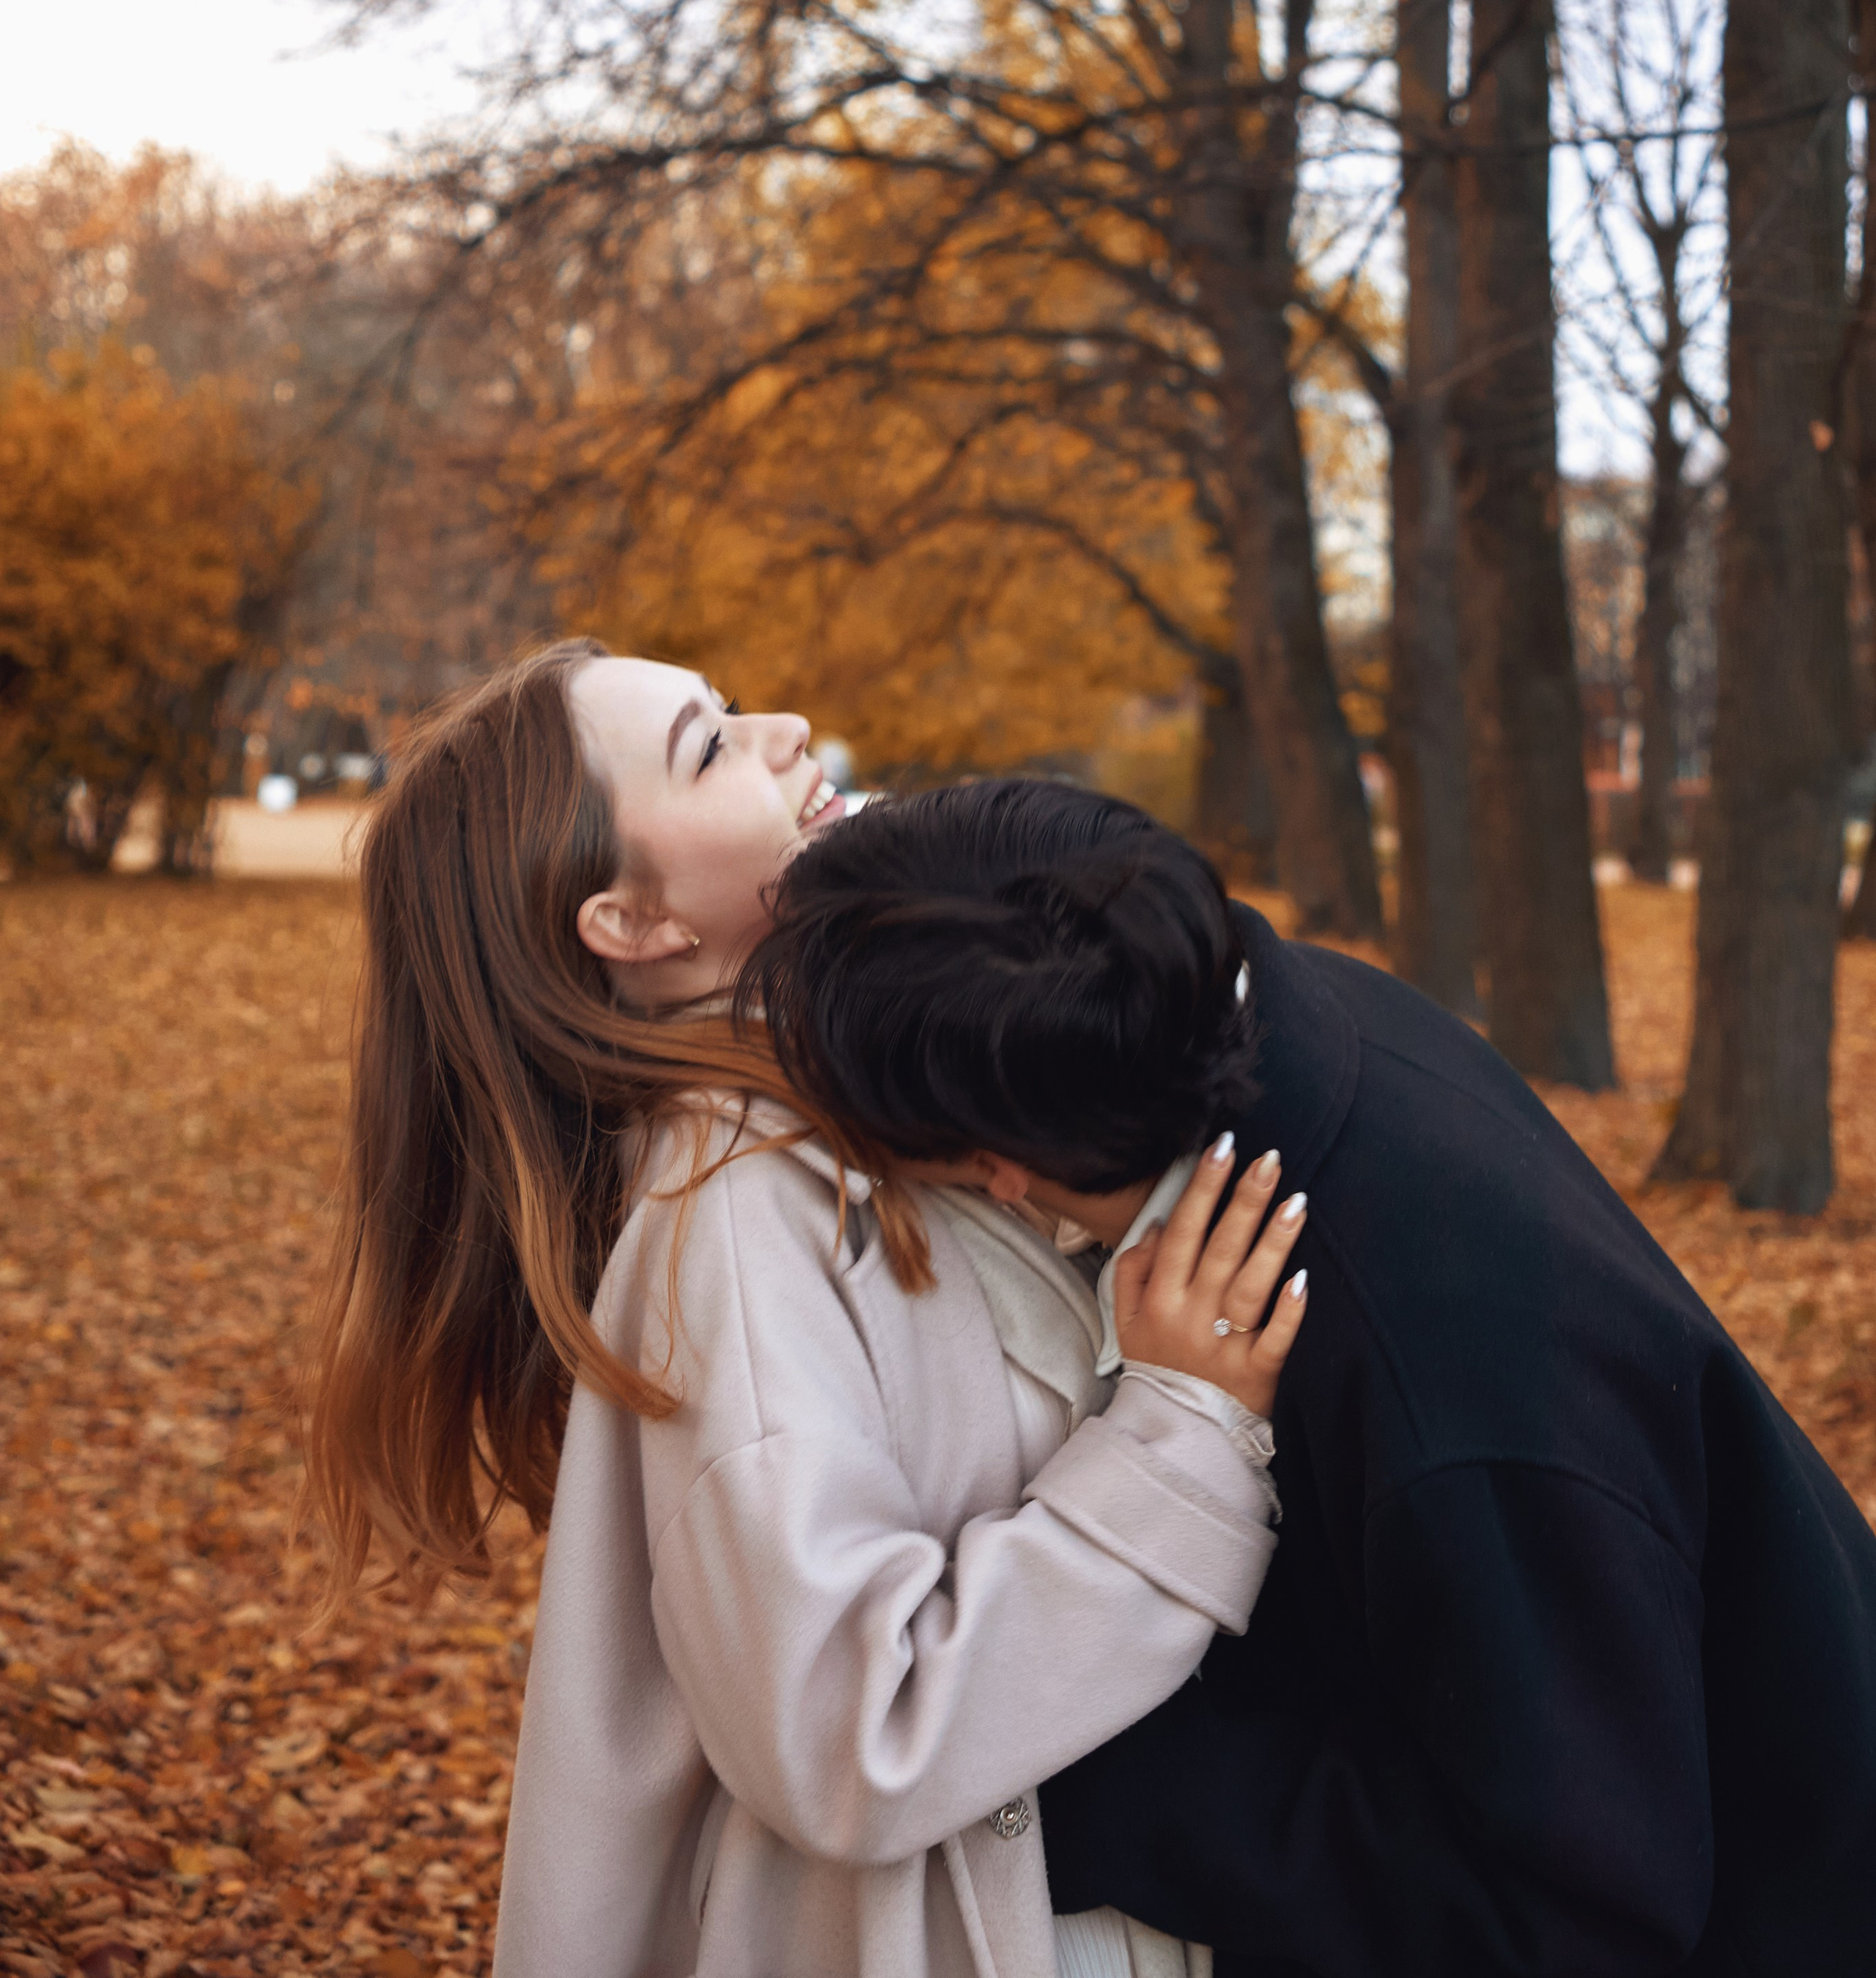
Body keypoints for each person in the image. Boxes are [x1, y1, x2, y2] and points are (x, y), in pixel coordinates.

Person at [754, 775, 1876, 1978]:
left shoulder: (1433, 1377)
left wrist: (1082, 1772)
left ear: (993, 1170)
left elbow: (1572, 1907)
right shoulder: (1263, 1011)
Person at [302, 641, 1309, 1978]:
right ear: (636, 922)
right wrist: (1185, 1430)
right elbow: (849, 1728)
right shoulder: (737, 1209)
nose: (789, 729)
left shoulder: (846, 1118)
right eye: (709, 745)